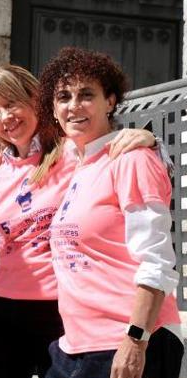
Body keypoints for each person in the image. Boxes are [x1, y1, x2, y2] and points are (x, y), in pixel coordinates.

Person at [0, 65, 160, 378]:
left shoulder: (72, 152)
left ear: (37, 101)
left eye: (12, 103)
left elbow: (132, 166)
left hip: (58, 309)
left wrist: (151, 140)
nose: (6, 117)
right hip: (2, 309)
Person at [39, 47, 183, 378]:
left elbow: (157, 259)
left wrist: (136, 339)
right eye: (63, 97)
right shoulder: (76, 165)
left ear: (111, 101)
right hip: (72, 347)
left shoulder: (132, 158)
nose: (73, 105)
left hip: (128, 342)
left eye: (86, 94)